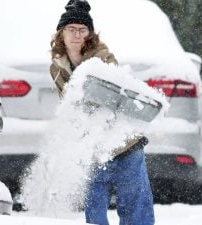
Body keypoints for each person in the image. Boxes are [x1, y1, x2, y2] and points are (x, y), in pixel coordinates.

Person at [49, 1, 155, 225]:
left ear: (90, 34)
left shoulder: (104, 58)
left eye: (82, 29)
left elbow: (114, 99)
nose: (77, 34)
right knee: (94, 213)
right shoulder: (57, 67)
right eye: (71, 29)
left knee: (136, 211)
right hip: (93, 149)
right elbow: (69, 106)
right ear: (61, 33)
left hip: (125, 145)